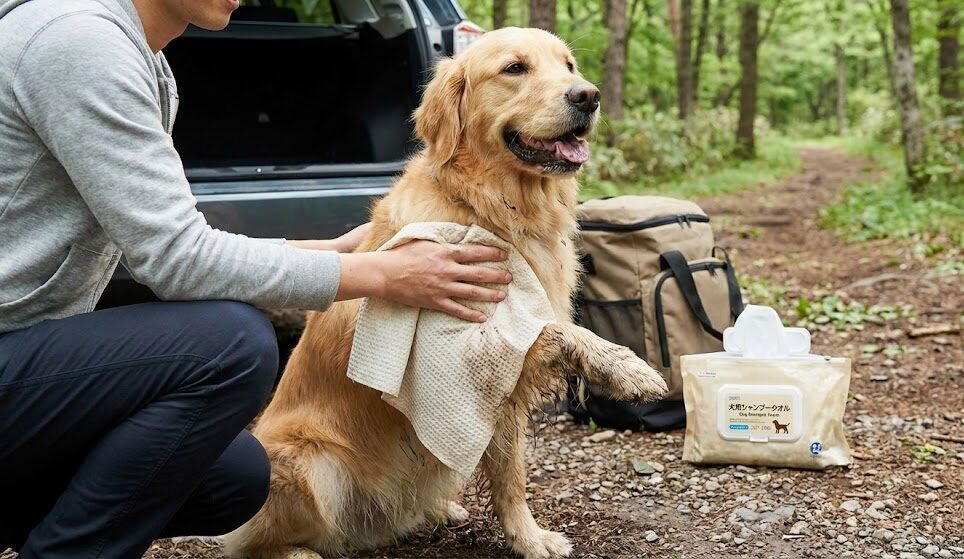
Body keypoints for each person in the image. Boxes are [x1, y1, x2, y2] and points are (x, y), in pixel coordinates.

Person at [0, 0, 512, 557]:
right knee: (229, 344)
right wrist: (379, 273)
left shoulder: (142, 56)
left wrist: (323, 251)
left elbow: (142, 240)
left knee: (238, 477)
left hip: (20, 362)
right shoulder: (78, 40)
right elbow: (174, 259)